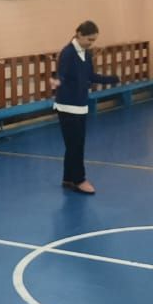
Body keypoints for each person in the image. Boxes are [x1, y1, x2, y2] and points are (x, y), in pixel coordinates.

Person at [53, 21, 119, 194]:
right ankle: (79, 180)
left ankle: (68, 177)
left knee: (74, 144)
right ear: (79, 34)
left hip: (80, 105)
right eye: (89, 39)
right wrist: (58, 81)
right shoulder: (68, 53)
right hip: (68, 107)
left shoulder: (86, 53)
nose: (91, 43)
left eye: (94, 40)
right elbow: (62, 74)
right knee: (76, 145)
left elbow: (90, 75)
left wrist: (111, 79)